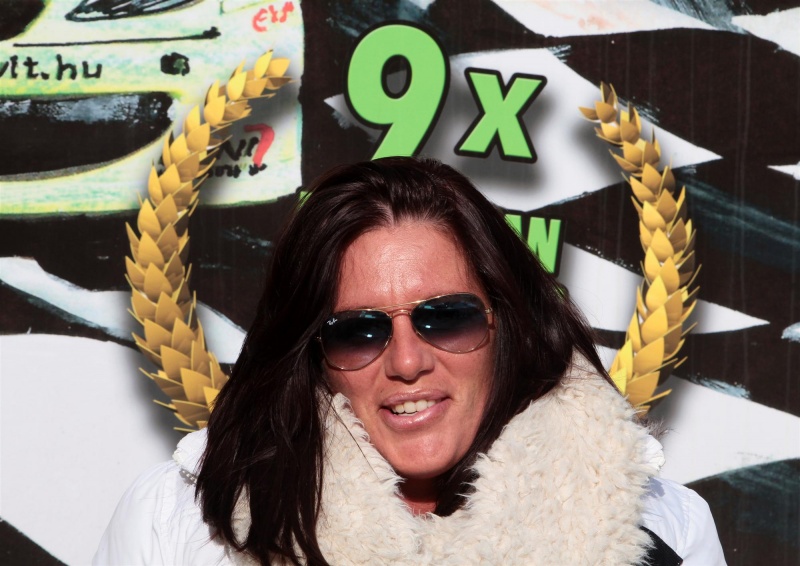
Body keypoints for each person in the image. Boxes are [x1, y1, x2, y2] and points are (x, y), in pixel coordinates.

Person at [95, 157, 725, 565]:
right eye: (358, 331)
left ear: (505, 323)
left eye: (446, 317)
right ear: (313, 355)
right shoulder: (179, 521)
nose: (406, 360)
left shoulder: (657, 528)